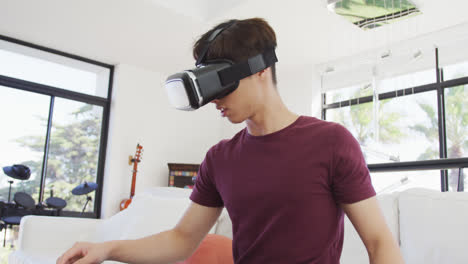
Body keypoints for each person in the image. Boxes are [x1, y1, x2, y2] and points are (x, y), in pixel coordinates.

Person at [57, 18, 404, 264]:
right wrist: (107, 249)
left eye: (222, 85)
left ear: (260, 69)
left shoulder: (331, 143)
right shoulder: (219, 158)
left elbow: (378, 242)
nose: (214, 100)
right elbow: (181, 241)